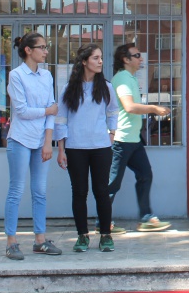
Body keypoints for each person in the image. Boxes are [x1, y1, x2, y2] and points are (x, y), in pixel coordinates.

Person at [55, 43, 119, 253]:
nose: (100, 62)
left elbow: (113, 112)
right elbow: (61, 118)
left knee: (101, 191)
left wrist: (111, 134)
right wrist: (61, 148)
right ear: (84, 62)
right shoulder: (69, 89)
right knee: (79, 192)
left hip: (101, 147)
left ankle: (106, 236)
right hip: (75, 147)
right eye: (95, 58)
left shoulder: (106, 87)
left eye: (101, 58)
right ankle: (82, 236)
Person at [4, 32, 61, 260]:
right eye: (42, 47)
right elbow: (22, 111)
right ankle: (11, 241)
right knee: (16, 191)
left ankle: (40, 240)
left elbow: (52, 108)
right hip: (19, 139)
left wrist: (48, 142)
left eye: (46, 47)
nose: (46, 51)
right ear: (28, 50)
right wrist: (48, 111)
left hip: (40, 141)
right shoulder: (16, 76)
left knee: (40, 191)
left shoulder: (47, 76)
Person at [105, 43, 171, 233]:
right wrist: (154, 108)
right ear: (126, 59)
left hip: (133, 140)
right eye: (137, 55)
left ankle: (146, 218)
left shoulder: (130, 78)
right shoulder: (123, 79)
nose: (141, 59)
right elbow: (130, 107)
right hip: (121, 139)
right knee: (113, 183)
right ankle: (104, 222)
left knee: (145, 175)